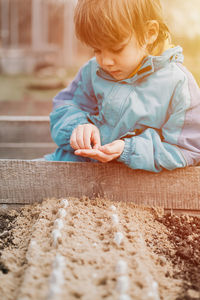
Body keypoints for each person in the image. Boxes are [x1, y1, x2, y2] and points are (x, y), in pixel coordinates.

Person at [45, 0, 200, 172]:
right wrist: (77, 127)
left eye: (117, 49)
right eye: (96, 50)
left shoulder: (178, 85)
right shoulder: (92, 71)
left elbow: (187, 149)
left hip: (132, 187)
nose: (106, 61)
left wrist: (129, 150)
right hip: (71, 169)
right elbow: (64, 108)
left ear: (150, 33)